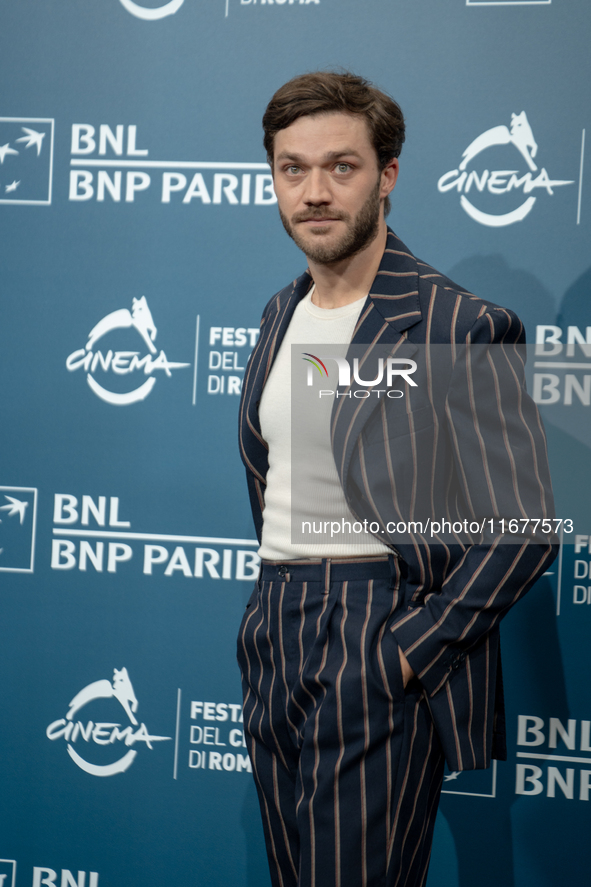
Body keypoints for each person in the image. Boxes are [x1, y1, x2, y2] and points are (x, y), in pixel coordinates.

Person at [237, 71, 557, 887]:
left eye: (340, 167)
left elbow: (522, 526)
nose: (313, 191)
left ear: (387, 175)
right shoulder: (280, 313)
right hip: (276, 628)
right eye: (292, 168)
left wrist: (407, 651)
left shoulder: (455, 322)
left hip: (376, 630)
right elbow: (274, 478)